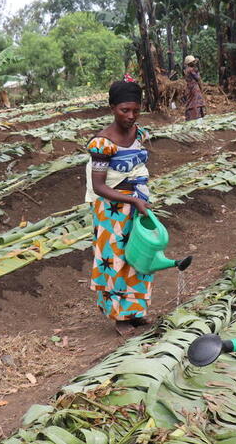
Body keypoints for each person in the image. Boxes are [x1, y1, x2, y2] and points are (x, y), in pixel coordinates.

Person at [85, 81, 155, 337]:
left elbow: (138, 168)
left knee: (139, 257)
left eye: (136, 110)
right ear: (112, 108)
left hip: (137, 204)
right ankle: (119, 317)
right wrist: (133, 200)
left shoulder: (139, 134)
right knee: (115, 260)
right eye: (124, 110)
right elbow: (100, 186)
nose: (130, 116)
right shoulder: (103, 144)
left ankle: (136, 312)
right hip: (112, 211)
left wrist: (140, 196)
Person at [182, 55, 206, 120]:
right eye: (193, 62)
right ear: (190, 63)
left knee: (192, 101)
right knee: (196, 102)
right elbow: (197, 78)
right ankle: (196, 117)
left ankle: (193, 116)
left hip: (190, 88)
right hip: (194, 88)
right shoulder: (191, 70)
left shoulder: (187, 70)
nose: (194, 63)